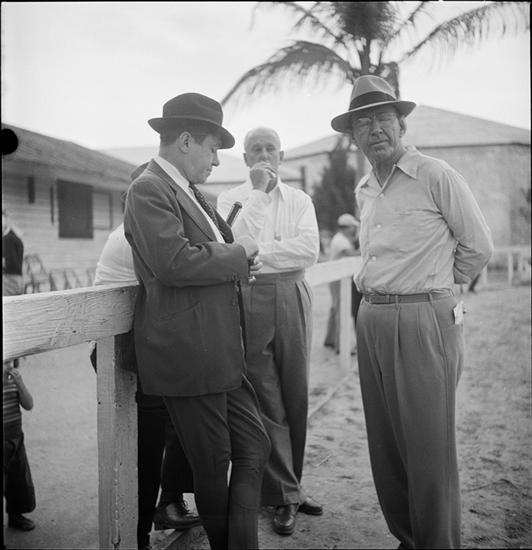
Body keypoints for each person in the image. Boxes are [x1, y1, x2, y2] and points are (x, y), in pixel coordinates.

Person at [331, 75, 494, 549]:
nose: (375, 129)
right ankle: (408, 536)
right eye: (363, 123)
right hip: (372, 317)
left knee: (428, 446)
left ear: (401, 125)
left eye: (383, 118)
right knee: (386, 444)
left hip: (424, 318)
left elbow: (478, 246)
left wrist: (435, 283)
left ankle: (436, 541)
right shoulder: (366, 188)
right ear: (354, 136)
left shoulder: (435, 175)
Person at [123, 92, 271, 550]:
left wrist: (238, 261)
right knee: (213, 463)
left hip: (221, 351)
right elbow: (173, 261)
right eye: (213, 148)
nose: (217, 160)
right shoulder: (147, 188)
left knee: (254, 445)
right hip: (189, 355)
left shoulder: (188, 191)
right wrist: (238, 255)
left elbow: (213, 254)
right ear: (185, 141)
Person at [217, 127, 321, 537]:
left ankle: (291, 486)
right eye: (255, 149)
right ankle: (283, 495)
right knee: (265, 395)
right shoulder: (231, 199)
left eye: (270, 148)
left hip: (293, 292)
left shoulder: (300, 200)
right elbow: (236, 242)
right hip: (250, 296)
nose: (263, 155)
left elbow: (309, 250)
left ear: (282, 155)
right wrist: (258, 195)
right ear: (245, 158)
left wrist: (260, 253)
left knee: (296, 389)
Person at [92, 216, 200, 550]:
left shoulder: (147, 229)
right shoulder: (133, 235)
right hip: (125, 348)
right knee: (145, 448)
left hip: (145, 341)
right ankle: (136, 535)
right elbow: (179, 274)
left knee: (185, 416)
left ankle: (168, 502)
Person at [3, 360, 36, 532]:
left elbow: (29, 405)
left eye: (9, 362)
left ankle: (15, 516)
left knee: (18, 480)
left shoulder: (13, 384)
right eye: (3, 363)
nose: (8, 367)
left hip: (16, 438)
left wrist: (20, 383)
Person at [323, 213, 361, 354]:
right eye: (352, 227)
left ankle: (330, 340)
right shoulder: (341, 241)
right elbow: (353, 254)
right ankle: (341, 345)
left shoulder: (340, 238)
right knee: (340, 309)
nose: (354, 229)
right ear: (347, 227)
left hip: (336, 278)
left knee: (335, 309)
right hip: (338, 279)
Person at [3, 209, 24, 297]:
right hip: (18, 279)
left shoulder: (7, 239)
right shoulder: (15, 237)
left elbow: (10, 263)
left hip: (10, 280)